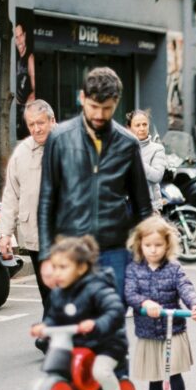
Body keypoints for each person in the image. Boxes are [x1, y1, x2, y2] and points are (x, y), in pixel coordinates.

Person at [38, 66, 153, 300]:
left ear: (117, 102)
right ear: (82, 98)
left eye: (107, 108)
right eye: (94, 107)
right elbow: (47, 199)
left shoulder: (128, 144)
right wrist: (45, 256)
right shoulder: (59, 139)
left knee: (110, 322)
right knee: (73, 325)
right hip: (70, 250)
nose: (99, 115)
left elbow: (143, 205)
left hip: (116, 252)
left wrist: (149, 255)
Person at [30, 234, 130, 390]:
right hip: (80, 343)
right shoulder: (59, 293)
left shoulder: (97, 287)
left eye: (63, 267)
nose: (57, 273)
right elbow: (55, 317)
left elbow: (114, 310)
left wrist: (96, 323)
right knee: (64, 367)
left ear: (82, 268)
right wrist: (44, 327)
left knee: (100, 370)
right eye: (55, 267)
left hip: (107, 343)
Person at [124, 216, 196, 390]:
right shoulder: (134, 268)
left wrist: (195, 305)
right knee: (155, 377)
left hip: (173, 328)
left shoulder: (174, 268)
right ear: (139, 244)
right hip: (149, 332)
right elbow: (130, 293)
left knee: (174, 373)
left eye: (158, 245)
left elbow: (186, 288)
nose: (153, 250)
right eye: (148, 245)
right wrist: (144, 304)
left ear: (167, 245)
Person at [0, 99, 56, 304]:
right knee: (48, 294)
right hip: (35, 235)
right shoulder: (21, 153)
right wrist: (5, 233)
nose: (36, 129)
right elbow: (11, 195)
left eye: (41, 123)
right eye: (31, 124)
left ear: (52, 121)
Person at [126, 109, 167, 211]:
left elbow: (157, 176)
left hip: (149, 207)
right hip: (124, 206)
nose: (142, 128)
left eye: (145, 124)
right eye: (137, 125)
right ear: (129, 128)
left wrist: (135, 160)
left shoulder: (157, 149)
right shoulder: (122, 148)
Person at [14, 22, 36, 140]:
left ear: (25, 35)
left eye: (21, 35)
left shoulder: (30, 57)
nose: (19, 40)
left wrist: (28, 104)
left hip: (25, 111)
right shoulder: (17, 59)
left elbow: (34, 87)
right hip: (17, 111)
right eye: (16, 37)